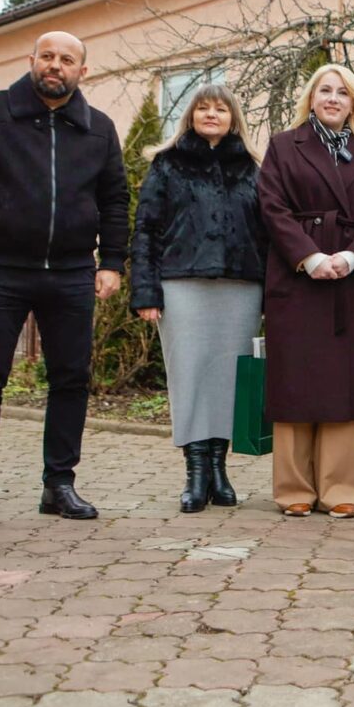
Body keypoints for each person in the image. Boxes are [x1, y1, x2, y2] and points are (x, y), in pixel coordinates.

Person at [0, 31, 128, 534]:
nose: (55, 66)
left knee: (71, 379)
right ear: (31, 61)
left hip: (70, 272)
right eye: (47, 56)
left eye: (67, 59)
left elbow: (114, 200)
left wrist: (111, 261)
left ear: (82, 71)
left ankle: (58, 485)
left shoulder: (99, 129)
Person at [258, 64, 354, 519]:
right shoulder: (283, 146)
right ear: (311, 98)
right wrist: (311, 256)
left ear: (353, 103)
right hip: (297, 277)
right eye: (325, 91)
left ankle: (341, 488)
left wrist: (353, 256)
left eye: (342, 92)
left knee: (342, 383)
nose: (333, 98)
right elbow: (272, 207)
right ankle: (293, 487)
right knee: (295, 380)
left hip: (349, 280)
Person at [131, 84, 266, 514]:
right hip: (182, 284)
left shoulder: (253, 168)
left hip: (242, 286)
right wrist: (145, 292)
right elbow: (146, 230)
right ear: (190, 116)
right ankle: (194, 472)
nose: (211, 114)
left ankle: (219, 470)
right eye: (203, 108)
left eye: (220, 109)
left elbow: (268, 234)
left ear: (233, 118)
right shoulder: (167, 165)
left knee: (229, 379)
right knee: (189, 375)